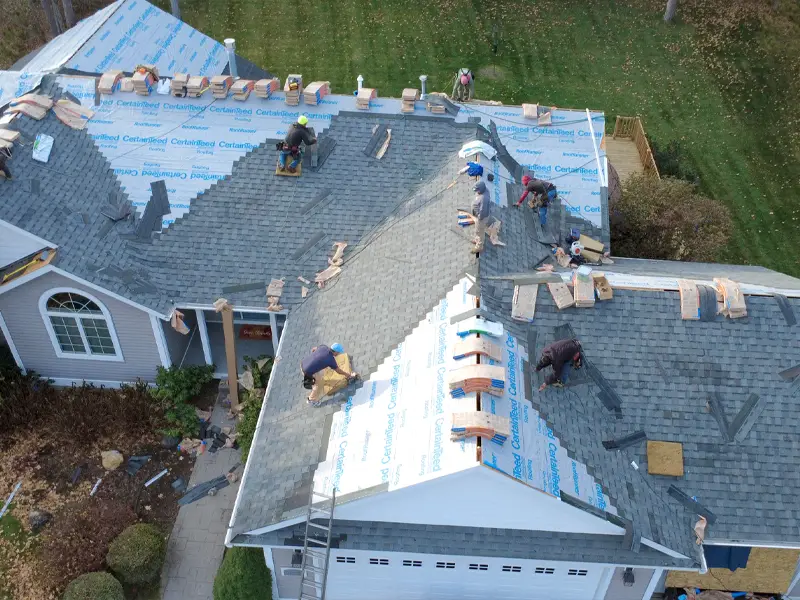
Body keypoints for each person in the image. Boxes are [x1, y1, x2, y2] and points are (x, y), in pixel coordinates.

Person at [471, 181, 491, 254]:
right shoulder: (483, 192)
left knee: (480, 232)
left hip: (481, 218)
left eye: (477, 190)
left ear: (481, 189)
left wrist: (479, 217)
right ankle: (477, 240)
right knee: (477, 230)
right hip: (479, 216)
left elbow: (483, 210)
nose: (476, 192)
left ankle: (479, 246)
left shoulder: (483, 198)